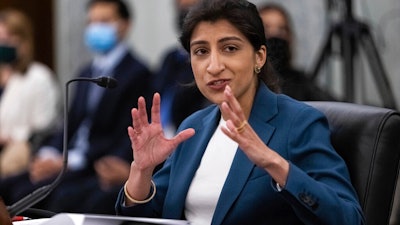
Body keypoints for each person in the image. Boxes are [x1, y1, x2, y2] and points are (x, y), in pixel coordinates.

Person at [116, 0, 365, 224]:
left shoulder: (299, 122)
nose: (214, 66)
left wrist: (274, 163)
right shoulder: (193, 127)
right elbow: (150, 217)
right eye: (201, 52)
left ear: (259, 57)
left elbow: (348, 218)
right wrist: (141, 172)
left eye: (230, 48)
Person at [0, 0, 153, 215]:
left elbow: (124, 134)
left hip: (92, 165)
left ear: (124, 25)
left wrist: (66, 162)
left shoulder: (138, 73)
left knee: (35, 196)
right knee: (6, 185)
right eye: (91, 22)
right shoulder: (87, 69)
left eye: (104, 21)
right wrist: (49, 152)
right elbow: (69, 123)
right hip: (66, 159)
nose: (95, 28)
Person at [0, 9, 60, 179]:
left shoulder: (39, 77)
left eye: (7, 39)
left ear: (24, 42)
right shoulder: (3, 75)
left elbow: (44, 127)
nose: (2, 44)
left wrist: (9, 136)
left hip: (22, 150)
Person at [154, 0, 210, 136]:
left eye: (192, 7)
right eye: (182, 8)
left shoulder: (211, 61)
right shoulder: (170, 58)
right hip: (160, 139)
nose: (186, 13)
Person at [259, 3, 336, 101]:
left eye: (281, 29)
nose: (275, 34)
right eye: (266, 28)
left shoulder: (300, 82)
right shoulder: (248, 82)